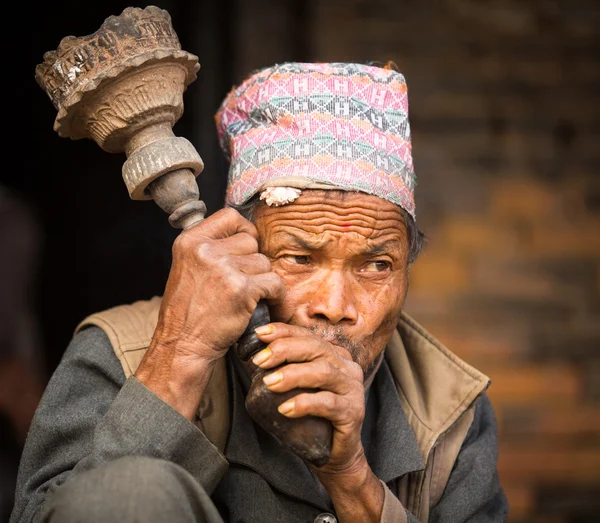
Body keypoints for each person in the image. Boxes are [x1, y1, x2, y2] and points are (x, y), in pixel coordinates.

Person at [10, 62, 508, 523]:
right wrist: (180, 355)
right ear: (240, 255)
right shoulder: (122, 352)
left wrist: (350, 477)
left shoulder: (448, 408)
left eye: (377, 264)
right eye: (298, 258)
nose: (334, 307)